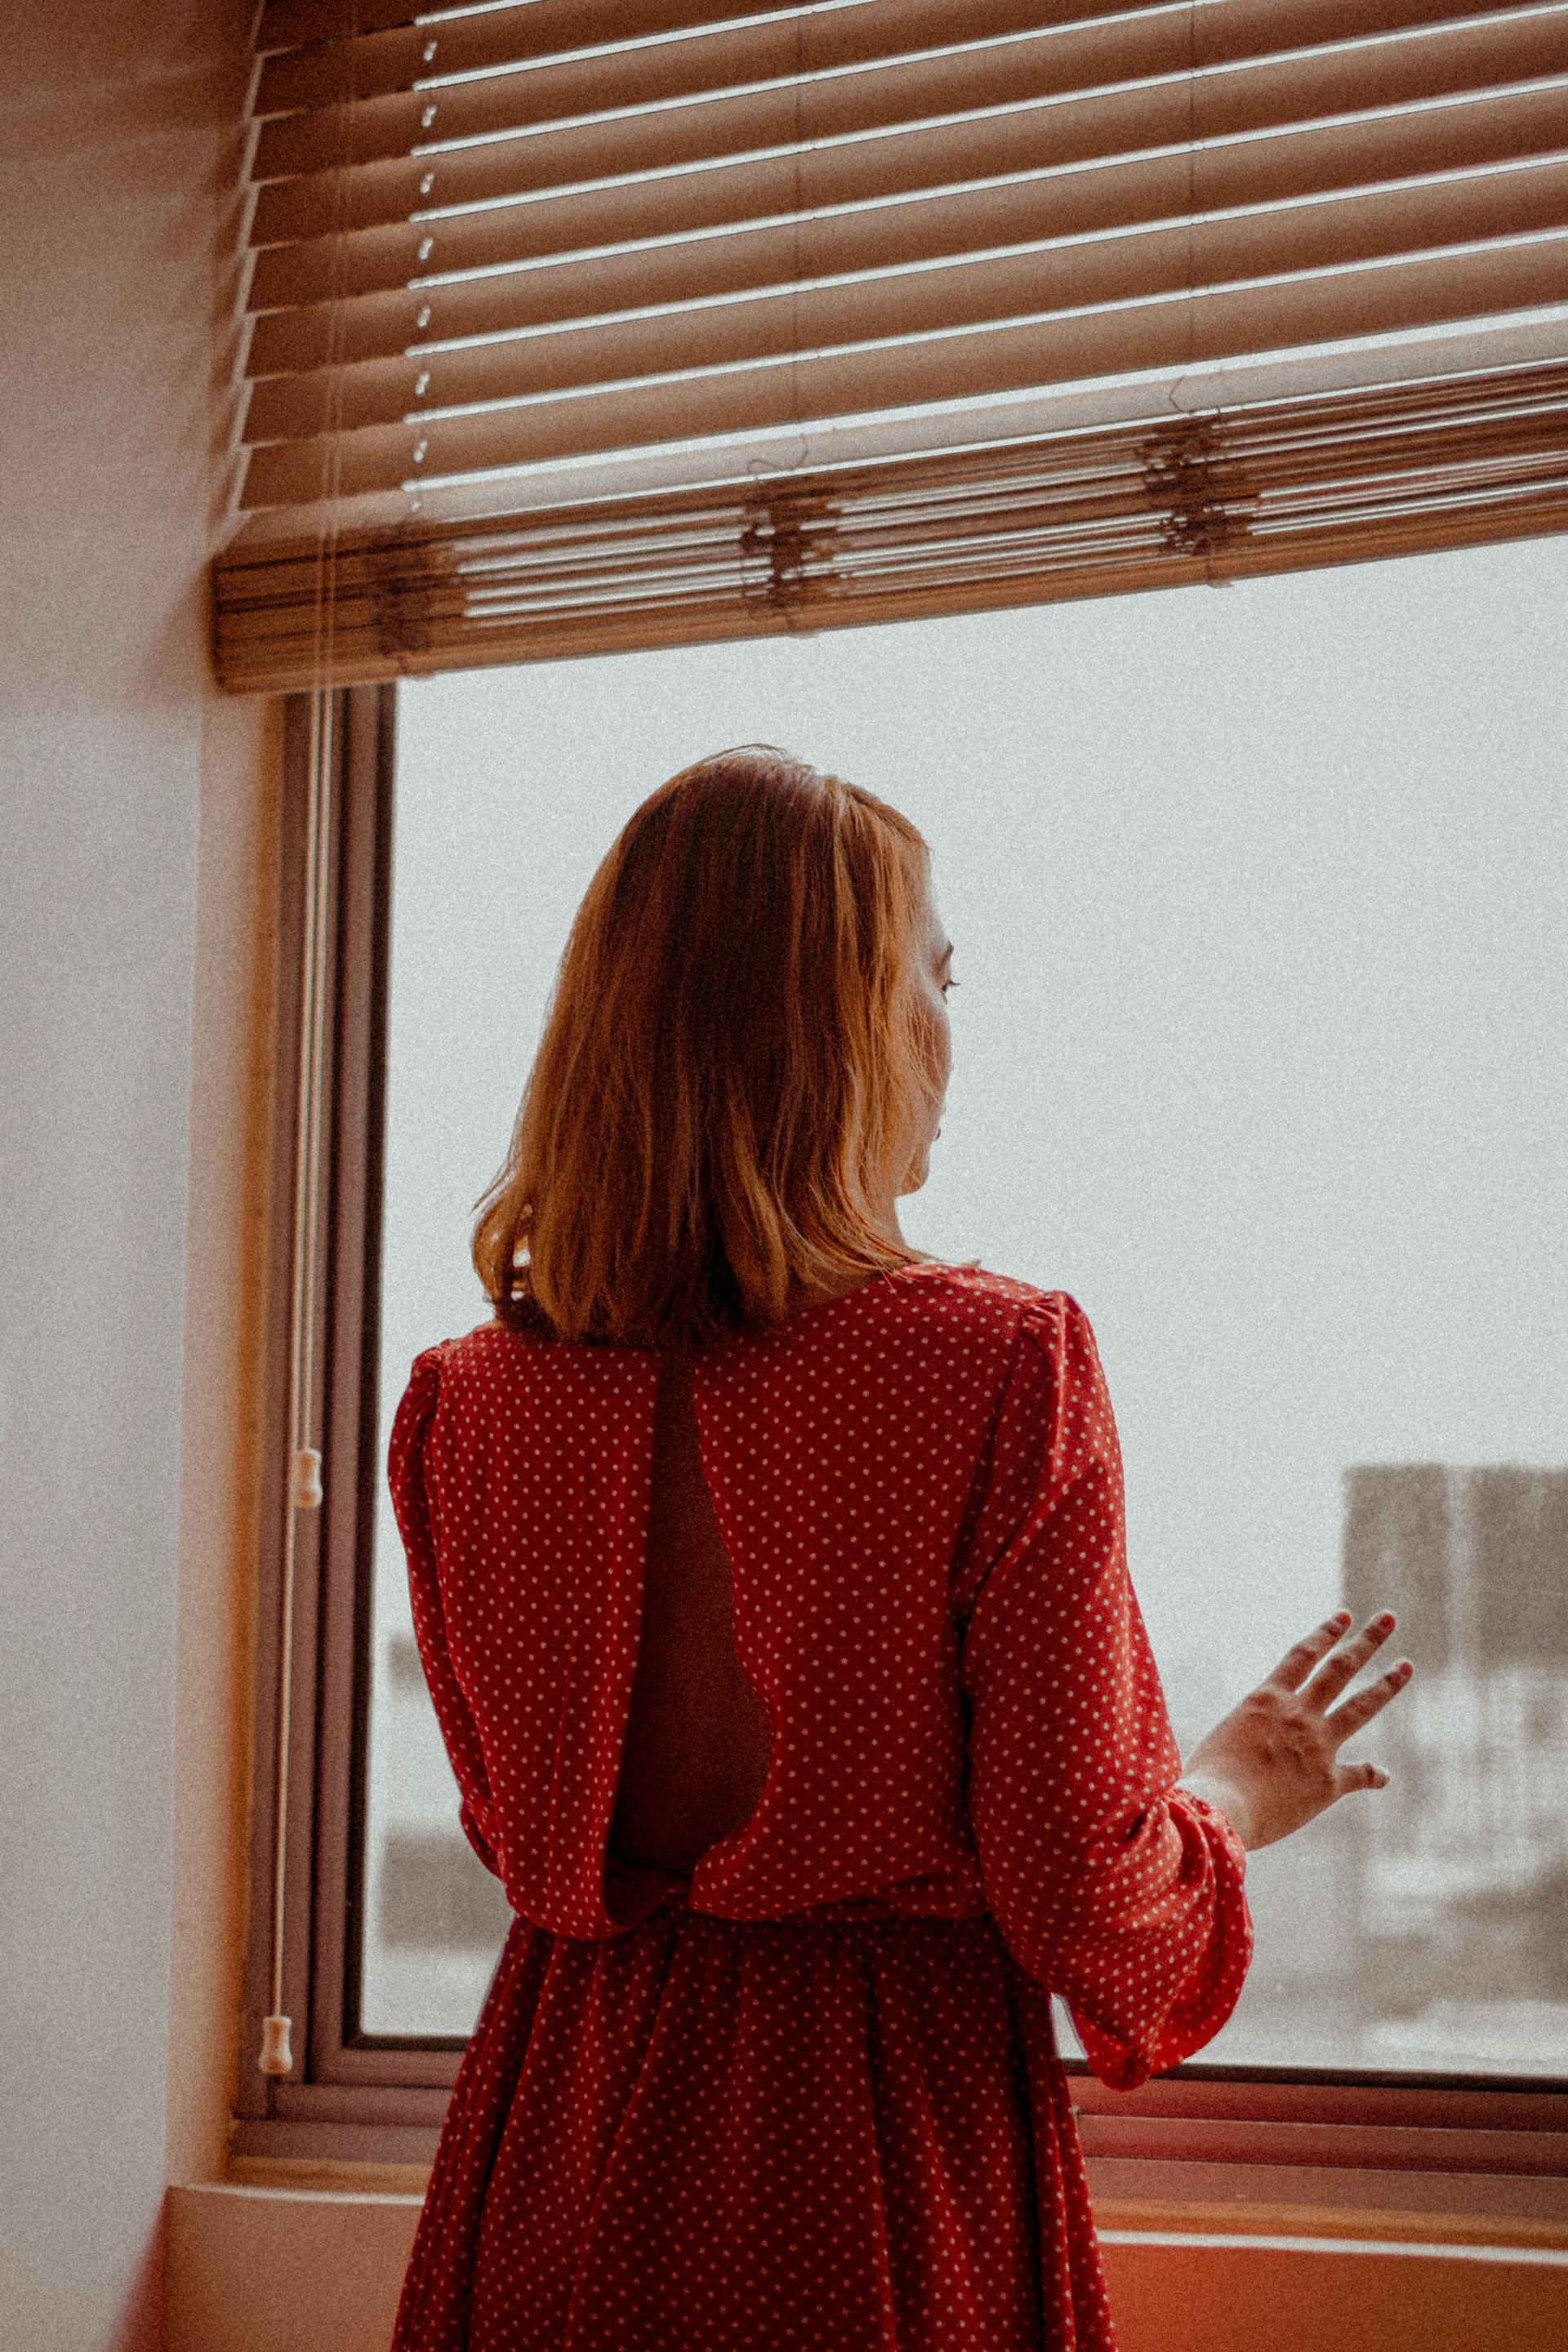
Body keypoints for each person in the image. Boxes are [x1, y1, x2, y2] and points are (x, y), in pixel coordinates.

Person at [385, 746, 1414, 2351]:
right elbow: (1079, 1888)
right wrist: (1232, 1792)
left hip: (554, 2144)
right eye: (940, 974)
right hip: (865, 2163)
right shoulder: (999, 1367)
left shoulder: (464, 1407)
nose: (955, 1030)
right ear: (848, 1018)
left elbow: (519, 1836)